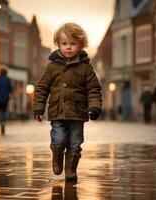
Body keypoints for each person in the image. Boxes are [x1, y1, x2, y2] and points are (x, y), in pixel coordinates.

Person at [33, 23, 102, 182]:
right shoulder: (53, 67)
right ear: (58, 45)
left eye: (73, 44)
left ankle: (70, 169)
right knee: (59, 139)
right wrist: (38, 108)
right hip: (58, 112)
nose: (68, 47)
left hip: (78, 113)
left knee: (75, 143)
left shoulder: (86, 68)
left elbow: (93, 90)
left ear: (81, 45)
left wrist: (94, 107)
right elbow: (42, 88)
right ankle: (57, 155)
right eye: (64, 44)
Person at [0, 68, 13, 135]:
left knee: (1, 110)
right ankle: (4, 122)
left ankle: (1, 122)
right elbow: (10, 89)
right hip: (5, 98)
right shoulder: (7, 79)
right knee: (4, 110)